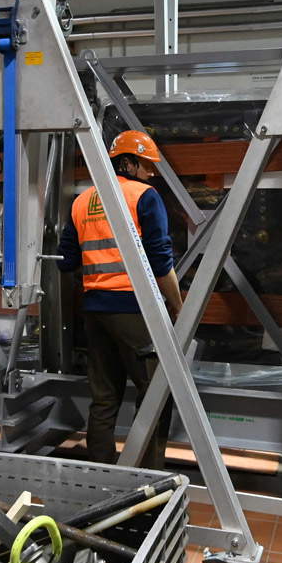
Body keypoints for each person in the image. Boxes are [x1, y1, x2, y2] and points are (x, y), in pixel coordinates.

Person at [57, 130, 182, 468]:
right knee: (157, 392)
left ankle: (101, 470)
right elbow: (160, 261)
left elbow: (66, 260)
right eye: (146, 164)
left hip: (95, 311)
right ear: (127, 162)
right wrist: (179, 307)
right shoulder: (145, 196)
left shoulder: (82, 200)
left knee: (104, 396)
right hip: (132, 309)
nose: (151, 172)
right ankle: (147, 478)